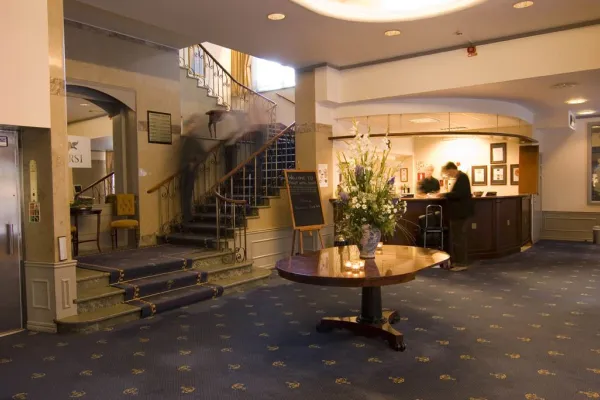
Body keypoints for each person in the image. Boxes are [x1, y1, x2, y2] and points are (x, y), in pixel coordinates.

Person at [440, 162, 474, 271]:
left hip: (460, 213)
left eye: (448, 172)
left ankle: (461, 263)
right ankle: (458, 262)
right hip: (458, 213)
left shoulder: (462, 178)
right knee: (457, 238)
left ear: (452, 169)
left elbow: (459, 194)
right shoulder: (461, 177)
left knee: (459, 239)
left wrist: (445, 194)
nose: (448, 175)